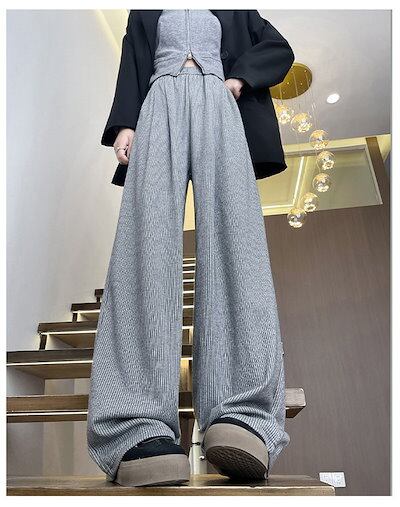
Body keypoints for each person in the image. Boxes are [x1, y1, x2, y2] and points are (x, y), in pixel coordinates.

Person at [87, 9, 294, 488]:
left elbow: (279, 49)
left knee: (237, 244)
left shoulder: (237, 9)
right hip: (157, 101)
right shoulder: (144, 11)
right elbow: (132, 62)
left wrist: (239, 79)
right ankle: (135, 422)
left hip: (221, 102)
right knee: (144, 246)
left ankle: (242, 415)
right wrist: (125, 124)